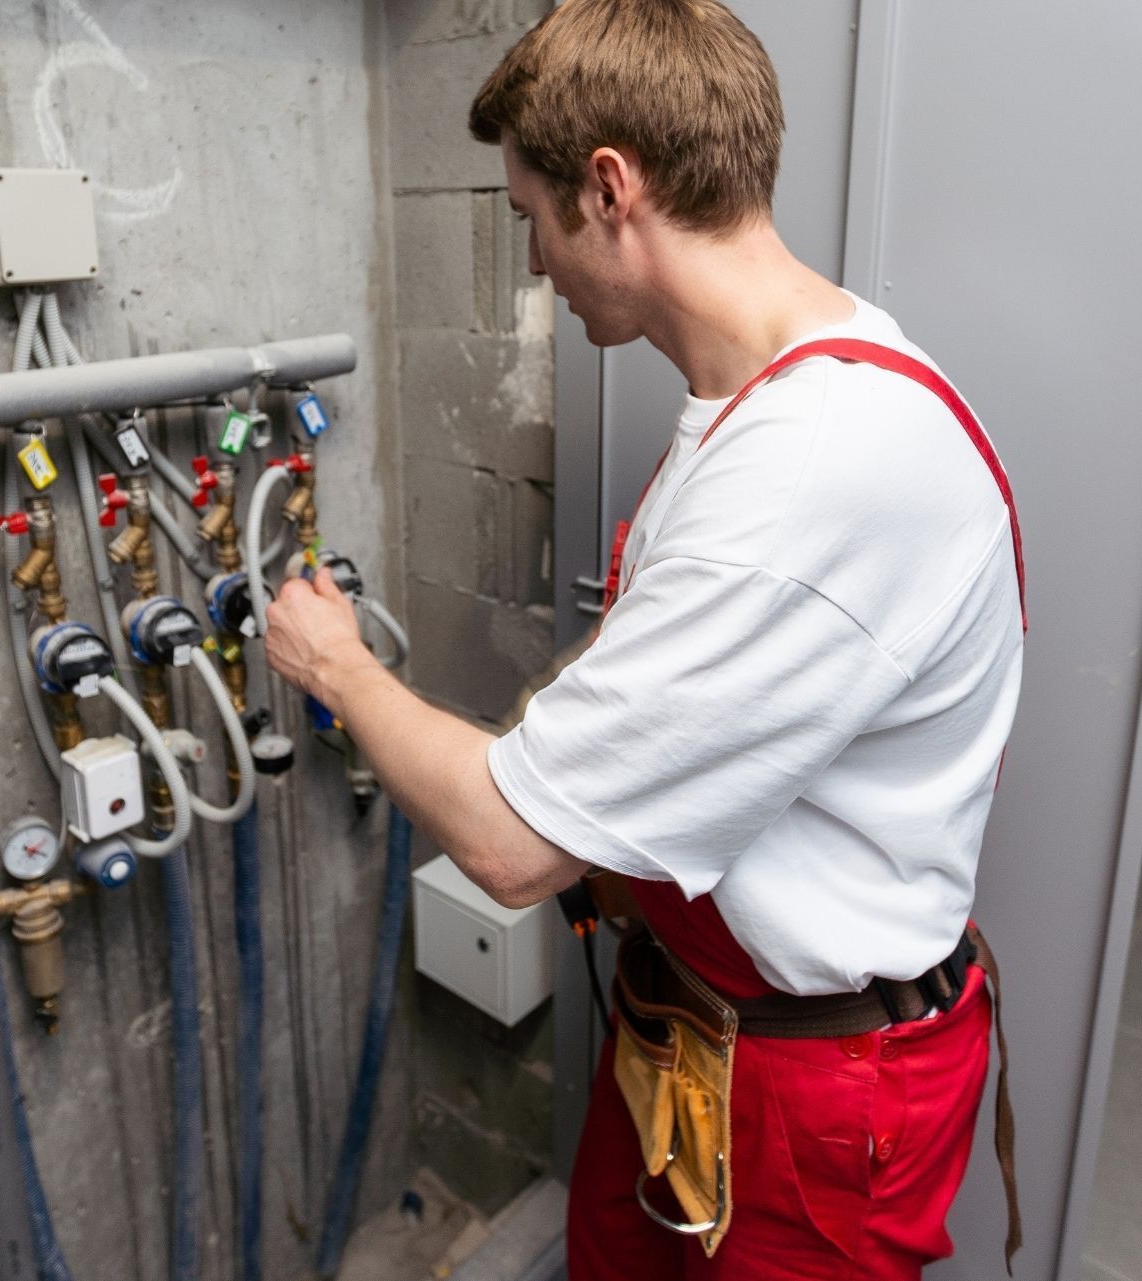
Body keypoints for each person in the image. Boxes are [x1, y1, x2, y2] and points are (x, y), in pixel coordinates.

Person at [262, 1, 1024, 1277]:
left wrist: (336, 667)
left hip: (817, 1095)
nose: (535, 266)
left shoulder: (816, 470)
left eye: (529, 219)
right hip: (688, 1027)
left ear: (608, 188)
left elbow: (510, 848)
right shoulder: (758, 408)